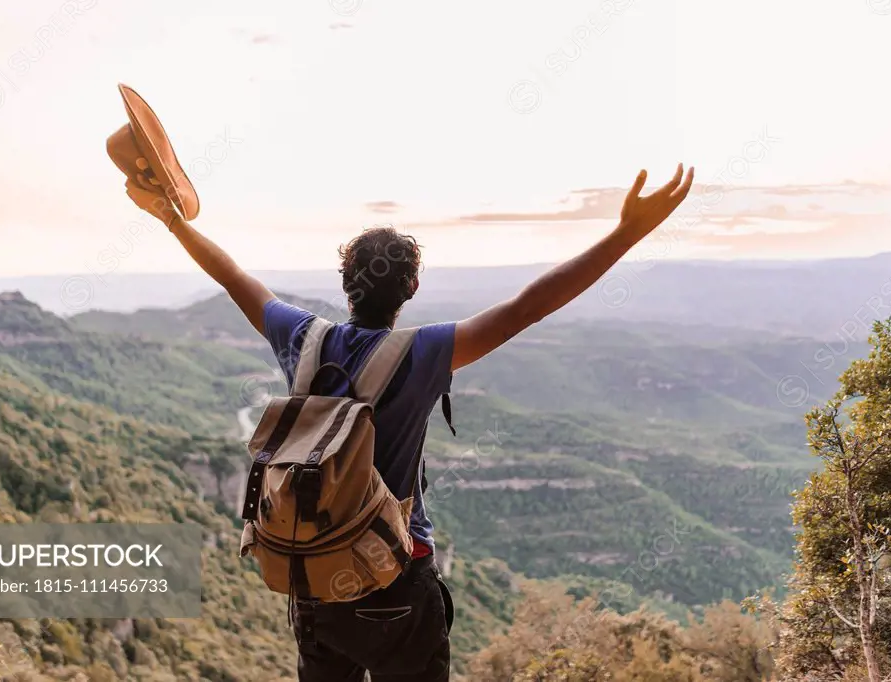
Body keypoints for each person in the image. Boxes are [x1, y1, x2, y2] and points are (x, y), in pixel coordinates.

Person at [125, 162, 695, 681]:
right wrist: (627, 233)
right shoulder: (422, 353)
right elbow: (528, 307)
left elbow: (232, 276)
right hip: (393, 579)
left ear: (346, 284)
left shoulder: (301, 338)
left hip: (315, 584)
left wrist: (173, 220)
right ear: (412, 289)